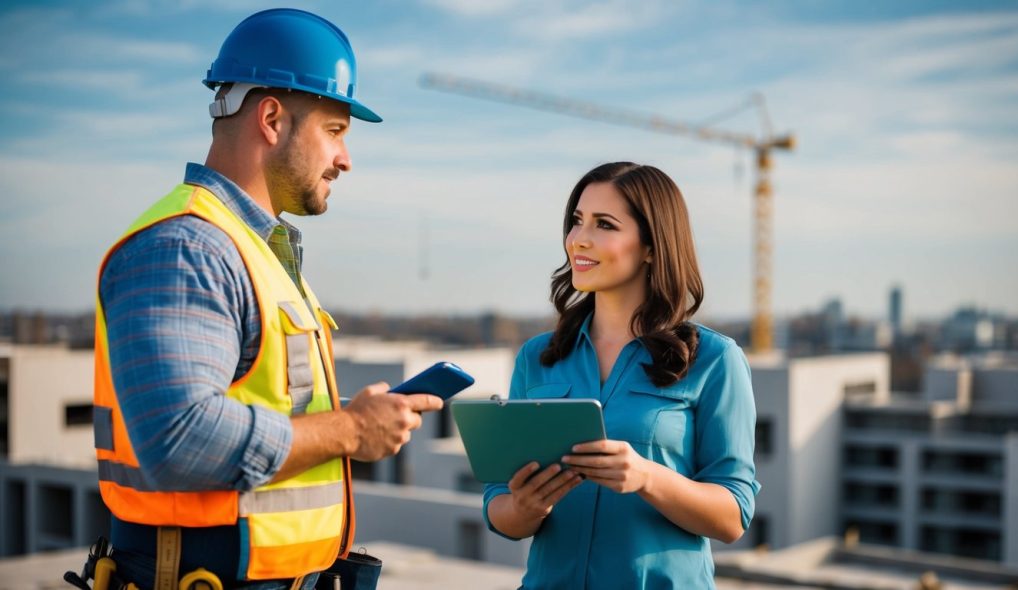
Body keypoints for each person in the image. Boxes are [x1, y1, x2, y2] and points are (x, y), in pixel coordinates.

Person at [90, 9, 442, 589]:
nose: (346, 159)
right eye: (335, 131)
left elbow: (260, 401)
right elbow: (179, 440)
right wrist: (350, 431)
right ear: (272, 119)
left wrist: (357, 414)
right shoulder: (187, 247)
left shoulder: (252, 248)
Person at [482, 162, 760, 588]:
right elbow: (498, 507)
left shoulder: (715, 359)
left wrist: (648, 477)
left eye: (604, 224)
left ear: (651, 246)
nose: (579, 239)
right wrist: (525, 507)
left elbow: (733, 516)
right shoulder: (537, 357)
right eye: (577, 221)